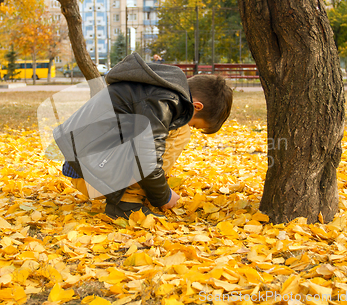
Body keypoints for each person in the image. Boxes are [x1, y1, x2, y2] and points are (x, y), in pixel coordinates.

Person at [58, 53, 233, 219]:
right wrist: (163, 196)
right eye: (194, 124)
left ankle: (132, 194)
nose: (190, 125)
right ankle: (126, 203)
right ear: (197, 107)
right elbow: (145, 159)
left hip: (85, 166)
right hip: (88, 175)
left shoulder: (154, 89)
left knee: (159, 139)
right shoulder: (163, 102)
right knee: (180, 132)